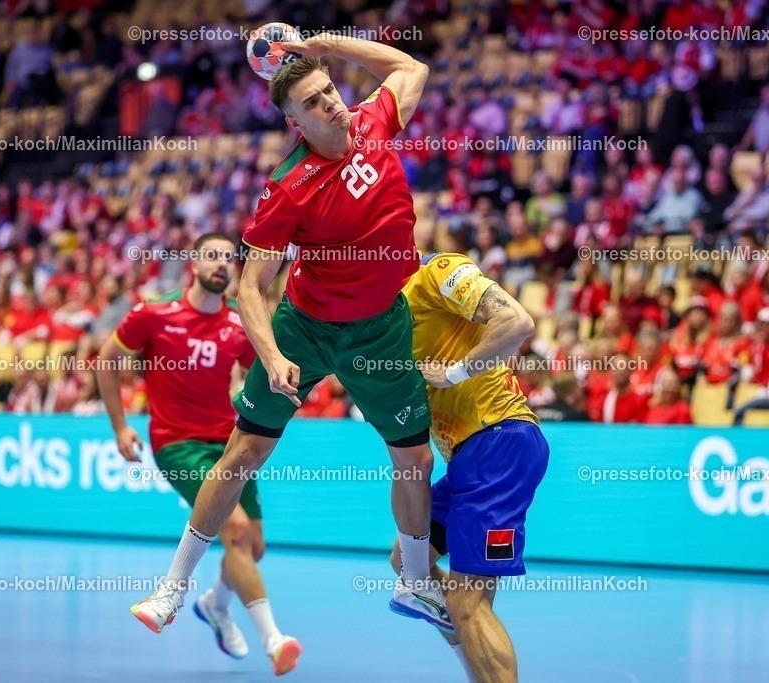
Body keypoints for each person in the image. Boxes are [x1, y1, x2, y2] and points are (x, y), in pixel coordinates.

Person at [129, 35, 447, 654]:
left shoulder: (376, 119)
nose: (332, 104)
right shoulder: (287, 188)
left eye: (330, 91)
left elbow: (412, 66)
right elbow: (251, 287)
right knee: (243, 452)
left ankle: (414, 581)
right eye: (314, 101)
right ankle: (170, 588)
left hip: (381, 326)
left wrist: (324, 44)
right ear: (292, 120)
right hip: (306, 325)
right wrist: (274, 356)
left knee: (417, 460)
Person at [99, 234, 300, 675]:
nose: (222, 265)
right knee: (237, 530)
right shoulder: (153, 312)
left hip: (231, 444)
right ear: (193, 262)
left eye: (230, 259)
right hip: (177, 444)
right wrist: (119, 427)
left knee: (254, 545)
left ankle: (214, 604)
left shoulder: (239, 322)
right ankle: (274, 638)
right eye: (213, 256)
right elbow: (107, 360)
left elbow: (257, 368)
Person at [390, 252, 550, 683]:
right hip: (467, 457)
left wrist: (454, 373)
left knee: (469, 602)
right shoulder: (382, 312)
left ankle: (465, 621)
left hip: (499, 440)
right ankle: (467, 644)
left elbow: (517, 323)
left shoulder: (437, 270)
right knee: (408, 562)